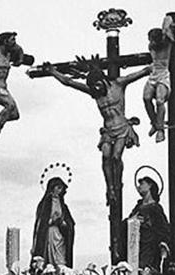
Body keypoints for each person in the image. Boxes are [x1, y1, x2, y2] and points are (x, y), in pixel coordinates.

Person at [43, 58, 151, 205]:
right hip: (107, 130)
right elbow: (69, 82)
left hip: (122, 129)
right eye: (94, 87)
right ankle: (110, 188)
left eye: (99, 85)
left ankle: (117, 185)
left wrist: (155, 65)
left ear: (103, 80)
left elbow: (140, 73)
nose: (97, 89)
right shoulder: (94, 92)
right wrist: (53, 72)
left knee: (116, 157)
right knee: (106, 156)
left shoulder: (118, 84)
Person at [124, 176, 171, 270]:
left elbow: (163, 229)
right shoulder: (138, 207)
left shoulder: (155, 208)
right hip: (136, 246)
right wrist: (133, 220)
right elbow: (127, 222)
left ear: (150, 185)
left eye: (142, 184)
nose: (139, 186)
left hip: (149, 247)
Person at [143, 15, 175, 143]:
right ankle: (155, 123)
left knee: (160, 101)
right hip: (153, 75)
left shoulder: (167, 41)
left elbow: (168, 18)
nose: (151, 42)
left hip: (163, 75)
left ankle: (161, 129)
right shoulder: (151, 45)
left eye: (153, 40)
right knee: (146, 98)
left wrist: (165, 29)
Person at [31, 177, 75, 268]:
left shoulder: (63, 205)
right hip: (49, 233)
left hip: (60, 233)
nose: (59, 190)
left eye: (61, 188)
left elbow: (69, 221)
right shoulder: (45, 203)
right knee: (50, 259)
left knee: (61, 259)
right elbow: (42, 221)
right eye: (58, 187)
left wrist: (64, 224)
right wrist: (51, 221)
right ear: (52, 187)